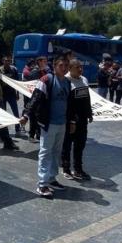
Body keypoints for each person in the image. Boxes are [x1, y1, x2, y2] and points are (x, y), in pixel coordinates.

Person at [20, 55, 76, 198]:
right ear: (54, 66)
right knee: (45, 152)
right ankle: (42, 184)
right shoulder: (46, 80)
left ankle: (51, 178)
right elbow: (35, 99)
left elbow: (70, 105)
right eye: (61, 65)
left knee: (56, 152)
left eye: (65, 66)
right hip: (48, 124)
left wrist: (71, 121)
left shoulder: (68, 83)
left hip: (62, 124)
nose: (63, 68)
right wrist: (26, 115)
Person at [61, 59, 93, 181]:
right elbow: (67, 104)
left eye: (81, 67)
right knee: (67, 145)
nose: (80, 69)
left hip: (83, 120)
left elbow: (87, 98)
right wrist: (72, 121)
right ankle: (66, 169)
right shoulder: (66, 81)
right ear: (70, 68)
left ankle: (78, 170)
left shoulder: (84, 79)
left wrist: (89, 113)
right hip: (70, 120)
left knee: (80, 145)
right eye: (77, 67)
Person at [0, 55, 21, 136]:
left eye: (9, 60)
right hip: (3, 94)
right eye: (6, 60)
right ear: (3, 61)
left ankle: (18, 129)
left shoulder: (14, 70)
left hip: (12, 94)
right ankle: (4, 131)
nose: (8, 62)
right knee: (3, 113)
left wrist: (17, 93)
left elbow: (17, 83)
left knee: (16, 112)